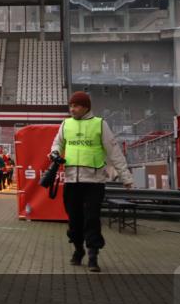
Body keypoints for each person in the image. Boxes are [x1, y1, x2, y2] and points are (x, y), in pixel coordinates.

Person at [50, 91, 133, 273]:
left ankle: (93, 254)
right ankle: (78, 249)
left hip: (94, 183)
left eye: (76, 106)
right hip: (71, 181)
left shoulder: (100, 124)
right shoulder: (66, 124)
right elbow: (57, 143)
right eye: (70, 106)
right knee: (74, 219)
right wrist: (55, 152)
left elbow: (114, 153)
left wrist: (125, 177)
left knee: (92, 218)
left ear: (86, 107)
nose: (72, 109)